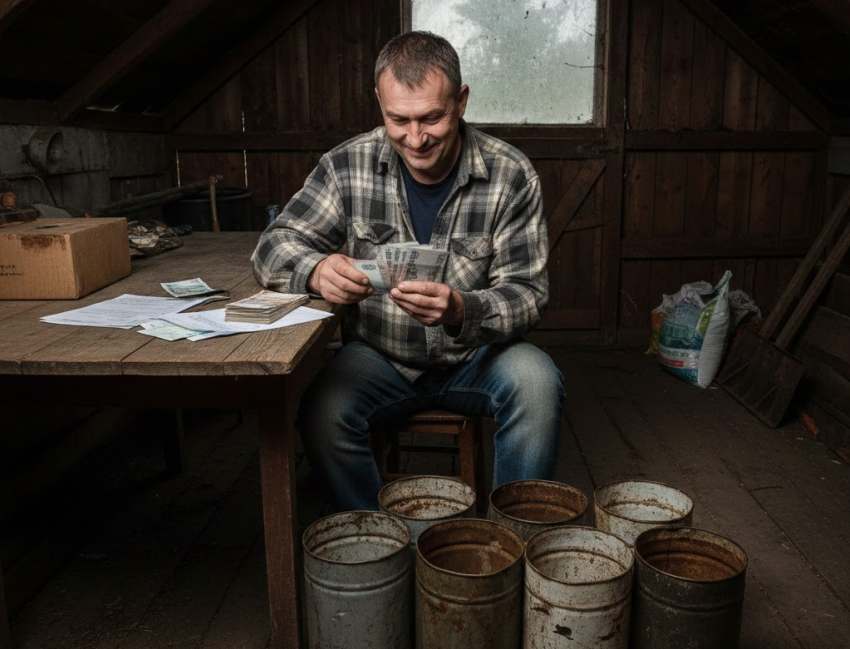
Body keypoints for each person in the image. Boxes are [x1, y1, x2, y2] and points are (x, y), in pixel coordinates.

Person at [252, 31, 564, 511]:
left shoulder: (510, 174)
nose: (415, 139)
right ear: (379, 102)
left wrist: (463, 309)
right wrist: (315, 271)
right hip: (380, 357)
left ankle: (509, 547)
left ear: (460, 101)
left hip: (478, 357)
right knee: (322, 413)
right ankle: (383, 537)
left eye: (431, 118)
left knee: (539, 384)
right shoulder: (346, 164)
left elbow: (528, 294)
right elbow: (272, 246)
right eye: (399, 119)